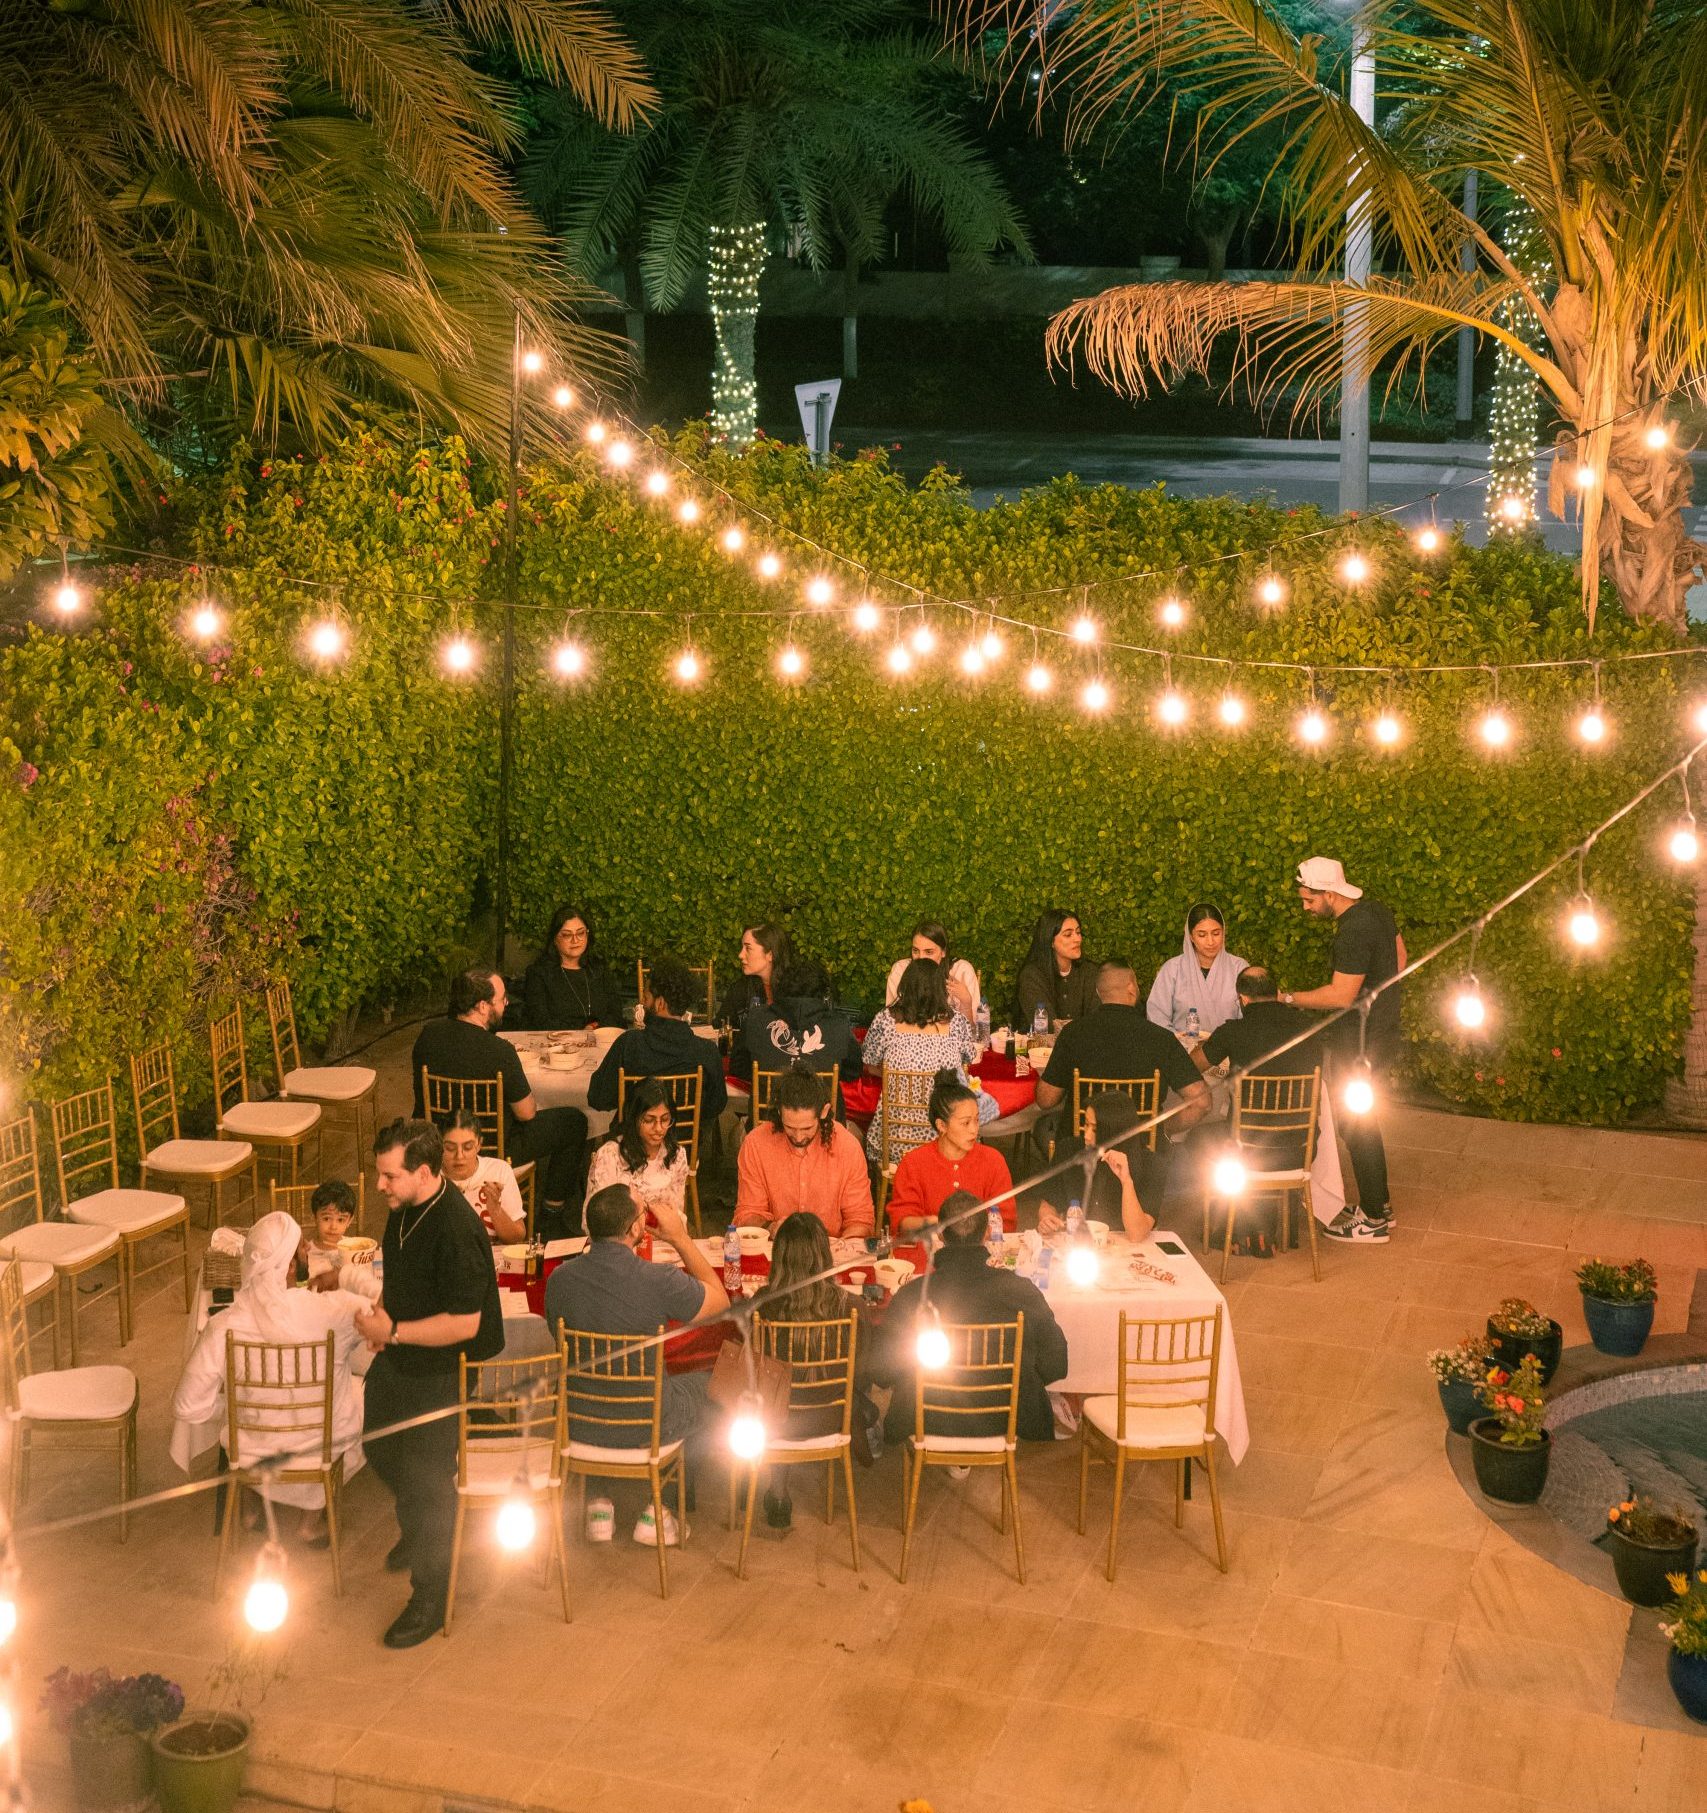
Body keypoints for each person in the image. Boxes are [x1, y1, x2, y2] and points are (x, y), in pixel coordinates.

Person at [356, 1119, 504, 1648]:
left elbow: (465, 1324)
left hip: (444, 1370)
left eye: (389, 1176)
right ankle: (421, 1527)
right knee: (378, 1445)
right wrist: (383, 1315)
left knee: (427, 1481)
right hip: (402, 1355)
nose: (380, 1185)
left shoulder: (456, 1230)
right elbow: (398, 1275)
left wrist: (392, 1331)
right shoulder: (403, 1205)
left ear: (423, 1172)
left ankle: (431, 1595)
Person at [545, 1183, 729, 1548]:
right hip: (647, 1423)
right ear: (635, 1229)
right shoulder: (659, 1279)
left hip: (578, 1422)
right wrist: (680, 1238)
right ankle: (658, 1509)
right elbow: (720, 1302)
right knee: (715, 1385)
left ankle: (599, 1504)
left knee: (599, 1381)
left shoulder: (559, 1280)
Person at [172, 1210, 371, 1544]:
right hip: (320, 1449)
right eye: (302, 1248)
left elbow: (187, 1406)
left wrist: (235, 1407)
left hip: (252, 1450)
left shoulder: (223, 1325)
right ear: (290, 1266)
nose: (308, 1249)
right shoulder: (335, 1310)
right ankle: (310, 1521)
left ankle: (252, 1507)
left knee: (241, 1419)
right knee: (362, 1391)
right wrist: (346, 1275)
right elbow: (388, 1307)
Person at [872, 1191, 1069, 1446]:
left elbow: (882, 1371)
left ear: (940, 1235)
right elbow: (1056, 1364)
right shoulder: (1021, 1292)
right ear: (987, 1233)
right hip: (1006, 1418)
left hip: (928, 1417)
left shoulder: (912, 1296)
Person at [1281, 857, 1406, 1244]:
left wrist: (1287, 998)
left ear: (1329, 894)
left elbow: (1340, 995)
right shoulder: (1377, 911)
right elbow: (1400, 958)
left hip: (1361, 1043)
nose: (1306, 907)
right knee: (1364, 1120)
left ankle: (1373, 1221)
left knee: (1356, 1124)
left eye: (1309, 899)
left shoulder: (1351, 933)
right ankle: (1378, 1203)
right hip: (1382, 1032)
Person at [412, 965, 588, 1223]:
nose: (506, 1004)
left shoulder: (428, 1036)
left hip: (438, 1141)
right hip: (492, 1146)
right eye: (502, 999)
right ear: (483, 1006)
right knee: (574, 1122)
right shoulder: (500, 1050)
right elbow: (526, 1113)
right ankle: (552, 1212)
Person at [1036, 961, 1211, 1209]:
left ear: (1099, 993)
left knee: (1044, 1127)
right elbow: (1202, 1102)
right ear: (1132, 988)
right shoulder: (1160, 1038)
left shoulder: (1074, 1033)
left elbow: (1045, 1100)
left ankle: (1068, 1201)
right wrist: (1161, 1129)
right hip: (1141, 1147)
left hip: (1082, 1144)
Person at [748, 1211, 871, 1531]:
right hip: (832, 1418)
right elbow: (862, 1370)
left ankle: (778, 1492)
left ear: (779, 1257)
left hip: (773, 1422)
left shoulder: (762, 1305)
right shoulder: (850, 1307)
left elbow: (752, 1368)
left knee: (776, 1396)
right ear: (824, 1257)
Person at [862, 958, 995, 1162]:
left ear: (904, 986)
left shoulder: (885, 1019)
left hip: (895, 1145)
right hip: (948, 1143)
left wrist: (899, 1075)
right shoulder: (956, 1022)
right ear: (941, 988)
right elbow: (968, 1059)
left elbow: (869, 1063)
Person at [734, 1068, 875, 1238]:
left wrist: (843, 1245)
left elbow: (860, 1219)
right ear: (779, 1112)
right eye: (790, 1127)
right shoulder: (756, 1144)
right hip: (774, 1246)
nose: (799, 1137)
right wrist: (770, 1227)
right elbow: (747, 1214)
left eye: (807, 1128)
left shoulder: (847, 1147)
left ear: (824, 1112)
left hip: (832, 1249)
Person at [588, 957, 728, 1122]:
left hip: (634, 1137)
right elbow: (716, 1106)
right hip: (684, 1137)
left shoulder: (629, 1044)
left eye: (646, 997)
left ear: (660, 1003)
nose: (642, 1002)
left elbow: (598, 1098)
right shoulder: (707, 1051)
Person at [885, 1072, 1014, 1238]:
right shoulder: (914, 1163)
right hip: (929, 1250)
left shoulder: (993, 1160)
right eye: (965, 1123)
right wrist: (935, 1224)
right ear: (942, 1125)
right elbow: (902, 1222)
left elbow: (1006, 1221)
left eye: (976, 1120)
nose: (974, 1129)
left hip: (981, 1250)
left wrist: (972, 1232)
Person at [1038, 1093, 1156, 1243]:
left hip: (1122, 1246)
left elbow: (1137, 1235)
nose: (1086, 1136)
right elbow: (1049, 1203)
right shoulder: (1068, 1150)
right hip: (1076, 1243)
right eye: (1086, 1125)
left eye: (1095, 1130)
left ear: (1115, 1131)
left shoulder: (1151, 1163)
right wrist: (1047, 1218)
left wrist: (1126, 1181)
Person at [584, 1078, 690, 1221]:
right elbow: (597, 1220)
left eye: (665, 1119)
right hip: (621, 1232)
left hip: (662, 1232)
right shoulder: (610, 1156)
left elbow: (677, 1213)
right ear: (633, 1118)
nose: (659, 1128)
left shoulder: (676, 1155)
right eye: (649, 1120)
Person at [743, 958, 862, 1082]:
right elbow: (853, 1072)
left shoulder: (755, 1019)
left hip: (769, 1095)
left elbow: (739, 1067)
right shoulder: (839, 1025)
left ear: (780, 987)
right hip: (824, 1095)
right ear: (824, 994)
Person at [1147, 903, 1248, 1040]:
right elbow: (1157, 1016)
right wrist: (1180, 1043)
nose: (1210, 942)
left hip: (1230, 1048)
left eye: (1216, 933)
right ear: (1191, 937)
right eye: (1202, 935)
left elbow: (1250, 1016)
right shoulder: (1172, 969)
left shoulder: (1239, 968)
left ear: (1223, 932)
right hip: (1182, 1049)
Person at [519, 905, 622, 1031]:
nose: (575, 940)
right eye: (567, 935)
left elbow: (616, 1015)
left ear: (587, 934)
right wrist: (582, 1029)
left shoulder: (599, 969)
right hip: (557, 1041)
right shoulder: (539, 973)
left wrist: (594, 1027)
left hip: (601, 1038)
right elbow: (540, 1021)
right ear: (555, 939)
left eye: (580, 933)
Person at [716, 923, 794, 1081]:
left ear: (770, 954)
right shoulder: (740, 989)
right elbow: (720, 1026)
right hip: (748, 1073)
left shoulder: (794, 988)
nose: (740, 955)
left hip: (789, 1074)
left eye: (748, 948)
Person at [440, 1109, 526, 1245]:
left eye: (468, 1147)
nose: (459, 1156)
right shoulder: (430, 1177)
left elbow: (517, 1237)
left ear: (479, 1144)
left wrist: (495, 1210)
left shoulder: (499, 1171)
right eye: (450, 1148)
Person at [885, 922, 980, 1025]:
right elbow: (891, 1021)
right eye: (915, 951)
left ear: (943, 952)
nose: (921, 958)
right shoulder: (900, 970)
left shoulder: (962, 971)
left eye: (929, 952)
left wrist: (966, 1001)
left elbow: (972, 1030)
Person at [1014, 909, 1096, 1029]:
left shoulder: (1089, 971)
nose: (1077, 939)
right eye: (1068, 935)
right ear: (1050, 941)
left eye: (1078, 932)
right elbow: (1046, 1026)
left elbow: (1097, 1018)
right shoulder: (1031, 976)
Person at [301, 1179, 358, 1280]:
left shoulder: (354, 1249)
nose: (333, 1227)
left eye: (340, 1220)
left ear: (349, 1221)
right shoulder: (306, 1254)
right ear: (314, 1218)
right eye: (326, 1218)